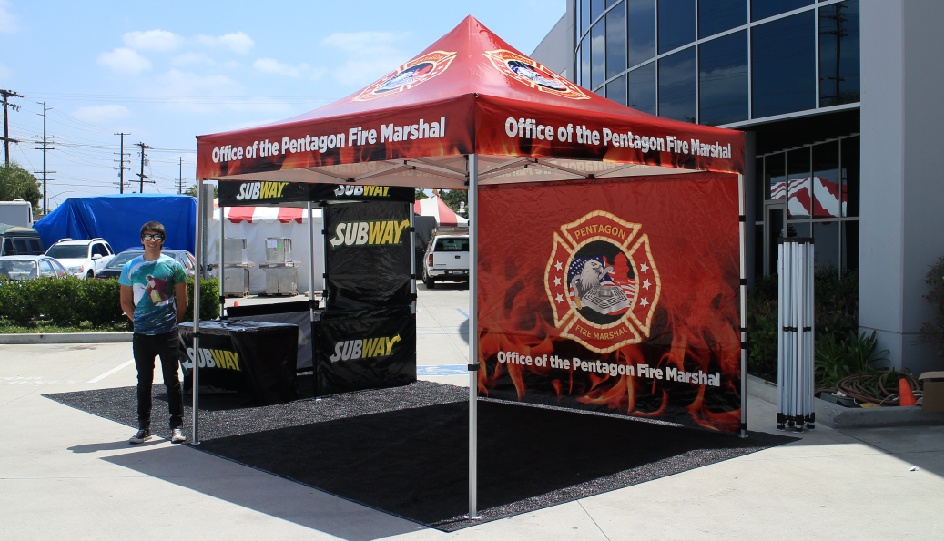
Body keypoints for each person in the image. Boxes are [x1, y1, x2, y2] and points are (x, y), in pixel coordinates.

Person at [119, 221, 189, 444]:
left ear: (163, 240)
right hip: (142, 335)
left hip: (167, 334)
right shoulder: (131, 266)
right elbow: (125, 302)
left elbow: (183, 302)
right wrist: (139, 322)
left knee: (172, 381)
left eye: (157, 237)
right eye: (148, 236)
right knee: (144, 382)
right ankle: (143, 428)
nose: (152, 240)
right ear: (142, 239)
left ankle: (176, 427)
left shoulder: (173, 266)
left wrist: (170, 325)